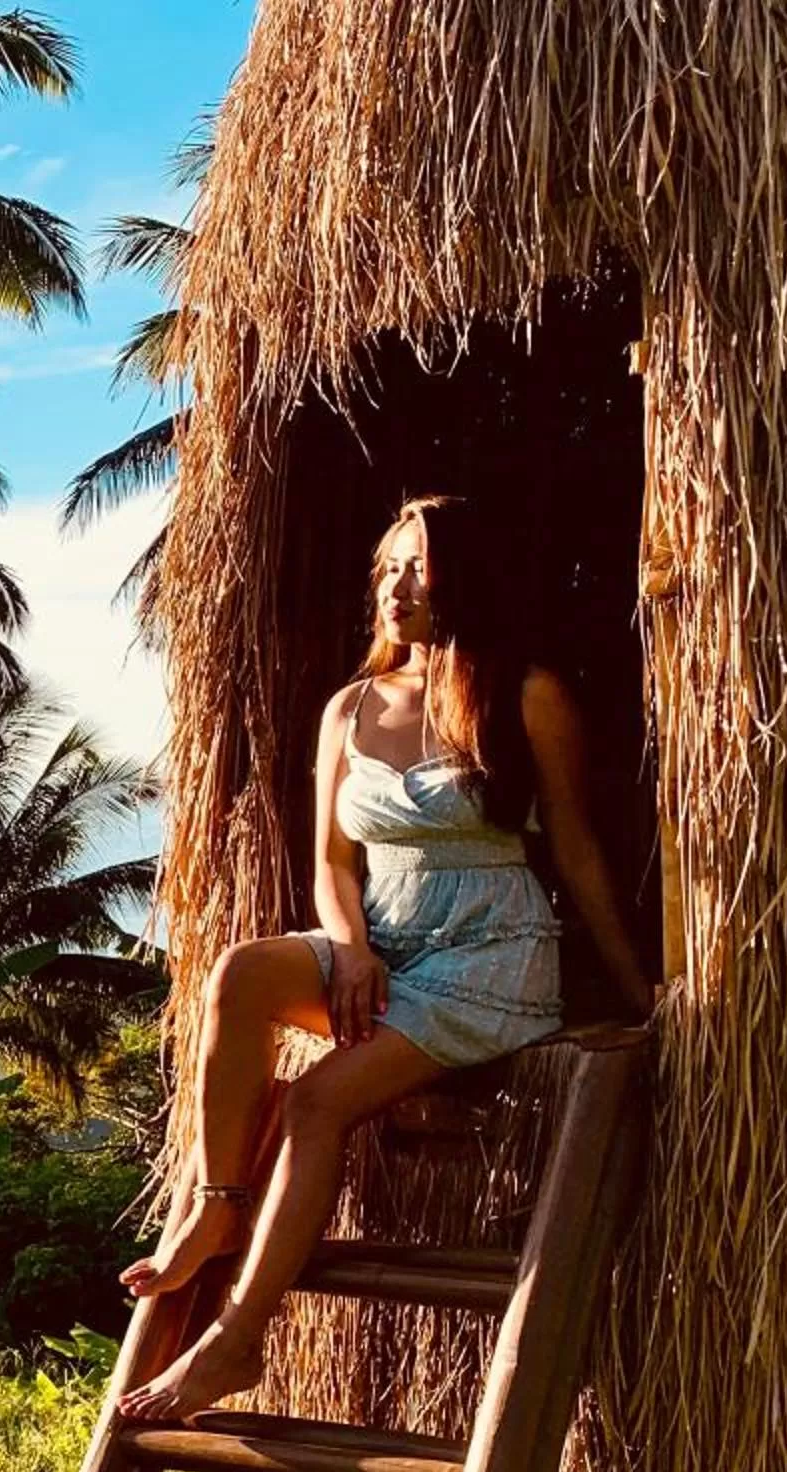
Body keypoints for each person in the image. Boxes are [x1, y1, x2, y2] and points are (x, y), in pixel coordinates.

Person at [116, 494, 654, 1423]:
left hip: (491, 957)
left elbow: (575, 850)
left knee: (318, 1100)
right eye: (388, 568)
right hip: (387, 943)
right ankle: (215, 1202)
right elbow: (332, 862)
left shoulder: (525, 694)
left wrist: (641, 991)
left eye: (418, 567)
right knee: (240, 975)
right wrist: (354, 953)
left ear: (463, 580)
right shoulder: (349, 707)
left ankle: (239, 1339)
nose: (395, 586)